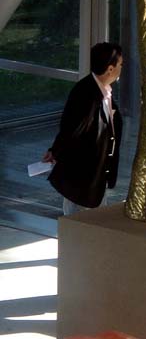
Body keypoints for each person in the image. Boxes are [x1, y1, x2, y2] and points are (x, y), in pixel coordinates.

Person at [43, 42, 124, 215]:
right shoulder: (86, 93)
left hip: (95, 178)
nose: (121, 68)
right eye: (120, 64)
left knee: (92, 227)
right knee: (80, 227)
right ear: (110, 69)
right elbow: (71, 129)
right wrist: (55, 151)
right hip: (82, 180)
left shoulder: (103, 92)